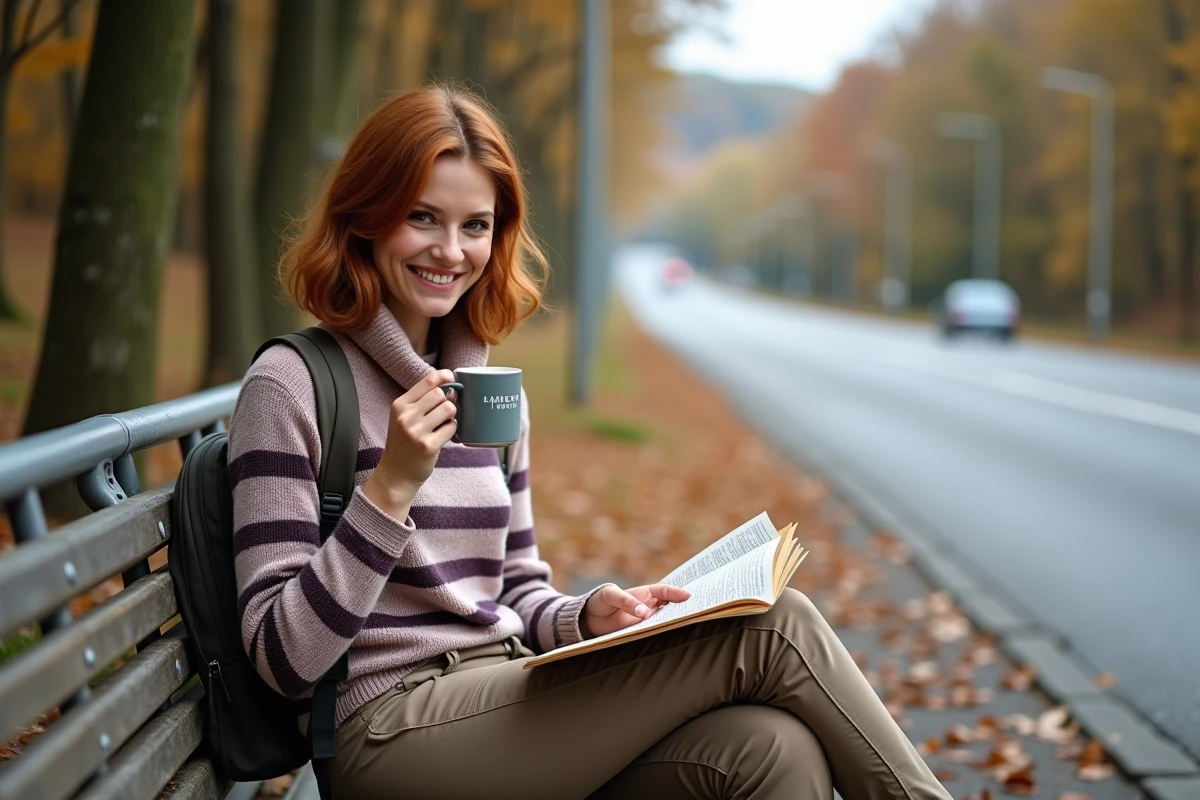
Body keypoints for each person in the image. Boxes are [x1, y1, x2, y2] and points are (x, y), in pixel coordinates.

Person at [228, 84, 952, 800]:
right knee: (776, 625)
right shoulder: (294, 385)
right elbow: (283, 658)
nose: (450, 251)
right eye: (422, 218)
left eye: (475, 226)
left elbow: (513, 588)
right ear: (366, 219)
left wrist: (584, 615)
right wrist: (389, 489)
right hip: (383, 733)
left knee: (770, 750)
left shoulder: (489, 391)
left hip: (499, 691)